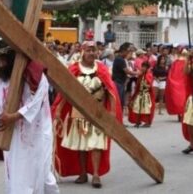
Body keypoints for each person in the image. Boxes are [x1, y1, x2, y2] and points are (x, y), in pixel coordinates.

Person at [0, 40, 59, 194]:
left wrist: (14, 116)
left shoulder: (35, 77)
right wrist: (0, 119)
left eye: (3, 59)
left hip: (36, 134)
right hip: (12, 136)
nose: (0, 64)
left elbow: (37, 102)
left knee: (41, 174)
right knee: (17, 175)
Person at [52, 41, 122, 189]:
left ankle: (96, 174)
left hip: (98, 113)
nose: (92, 53)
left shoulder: (102, 69)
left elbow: (110, 92)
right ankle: (83, 173)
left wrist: (112, 112)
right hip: (79, 112)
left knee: (96, 143)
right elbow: (66, 91)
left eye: (94, 50)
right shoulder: (74, 69)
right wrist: (58, 110)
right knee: (81, 145)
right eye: (89, 50)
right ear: (83, 51)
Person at [112, 42, 139, 113]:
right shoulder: (120, 59)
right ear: (123, 50)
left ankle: (119, 121)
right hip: (118, 83)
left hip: (121, 83)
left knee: (121, 102)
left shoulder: (120, 59)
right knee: (119, 102)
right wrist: (137, 73)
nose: (128, 53)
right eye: (127, 51)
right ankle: (118, 121)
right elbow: (127, 71)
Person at [165, 48, 190, 121]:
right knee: (181, 98)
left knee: (182, 98)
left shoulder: (177, 62)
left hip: (183, 82)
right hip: (182, 82)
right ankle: (181, 114)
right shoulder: (177, 62)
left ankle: (182, 114)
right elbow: (173, 73)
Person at [128, 62, 155, 127]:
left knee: (146, 108)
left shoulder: (149, 75)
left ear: (147, 68)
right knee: (136, 107)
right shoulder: (140, 74)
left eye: (145, 67)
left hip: (146, 94)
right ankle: (138, 121)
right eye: (142, 66)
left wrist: (145, 83)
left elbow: (149, 84)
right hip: (139, 94)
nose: (143, 68)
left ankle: (147, 122)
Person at [182, 52, 193, 154]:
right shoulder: (190, 63)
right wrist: (188, 58)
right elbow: (185, 72)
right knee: (189, 121)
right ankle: (191, 144)